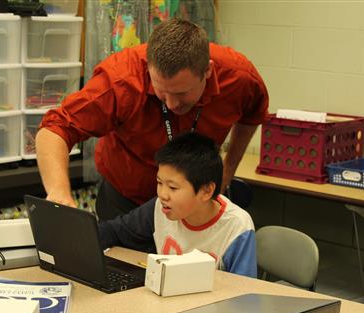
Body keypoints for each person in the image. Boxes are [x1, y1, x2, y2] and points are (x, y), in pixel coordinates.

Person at [36, 18, 269, 221]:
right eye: (162, 92)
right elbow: (55, 129)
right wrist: (59, 193)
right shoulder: (121, 80)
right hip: (128, 201)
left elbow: (252, 115)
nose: (171, 104)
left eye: (181, 93)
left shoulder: (238, 78)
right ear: (149, 69)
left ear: (207, 71)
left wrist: (226, 174)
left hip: (194, 205)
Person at [98, 132, 257, 278]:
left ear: (206, 191)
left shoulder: (237, 227)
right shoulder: (161, 207)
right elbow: (115, 231)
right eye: (159, 183)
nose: (162, 194)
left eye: (173, 187)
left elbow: (245, 293)